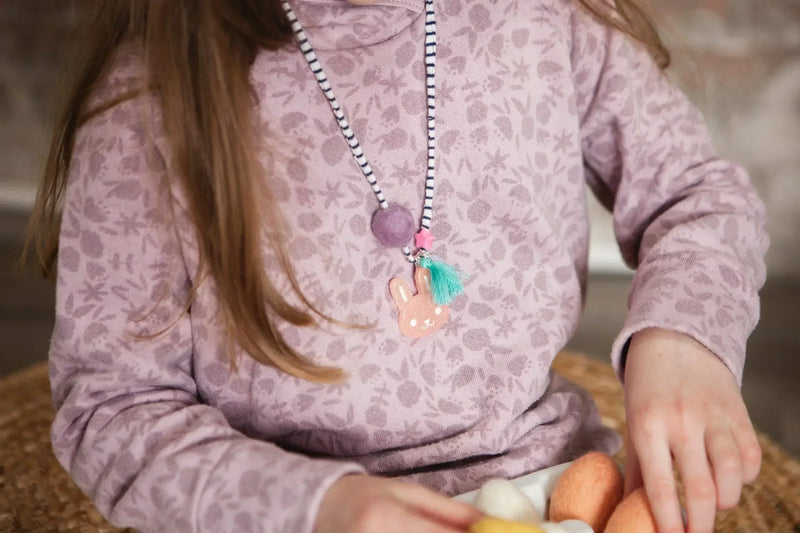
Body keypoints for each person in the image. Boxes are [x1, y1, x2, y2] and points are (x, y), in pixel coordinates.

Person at [26, 0, 768, 532]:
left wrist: (682, 340)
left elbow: (694, 193)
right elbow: (113, 409)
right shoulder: (150, 98)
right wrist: (321, 508)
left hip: (552, 483)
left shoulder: (551, 18)